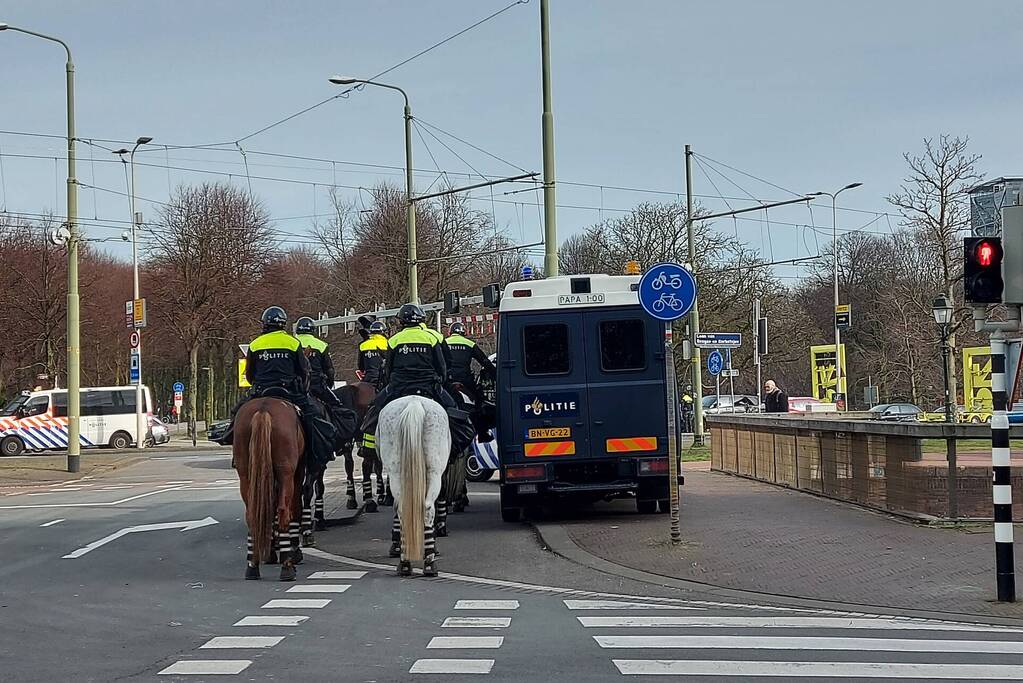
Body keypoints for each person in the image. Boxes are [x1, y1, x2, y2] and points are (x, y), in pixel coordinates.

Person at [221, 307, 336, 468]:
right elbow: (303, 370)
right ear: (283, 324)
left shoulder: (255, 344)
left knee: (237, 413)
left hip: (260, 390)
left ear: (265, 324)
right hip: (289, 391)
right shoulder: (292, 343)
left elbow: (249, 375)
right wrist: (302, 388)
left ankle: (234, 449)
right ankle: (317, 452)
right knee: (313, 418)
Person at [360, 303, 474, 459]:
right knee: (455, 410)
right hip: (429, 386)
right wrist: (441, 381)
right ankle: (454, 450)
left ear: (401, 321)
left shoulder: (394, 340)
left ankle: (368, 448)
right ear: (421, 320)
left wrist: (389, 384)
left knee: (374, 409)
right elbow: (443, 365)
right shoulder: (432, 337)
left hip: (398, 387)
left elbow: (388, 370)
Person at [444, 321, 497, 442]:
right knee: (479, 403)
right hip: (465, 383)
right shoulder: (469, 344)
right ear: (464, 333)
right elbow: (485, 363)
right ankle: (483, 433)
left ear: (450, 332)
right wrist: (496, 376)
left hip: (448, 381)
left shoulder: (444, 343)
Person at [357, 320, 389, 389]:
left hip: (367, 379)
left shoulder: (363, 345)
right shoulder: (388, 343)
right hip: (382, 379)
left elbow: (361, 367)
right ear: (384, 332)